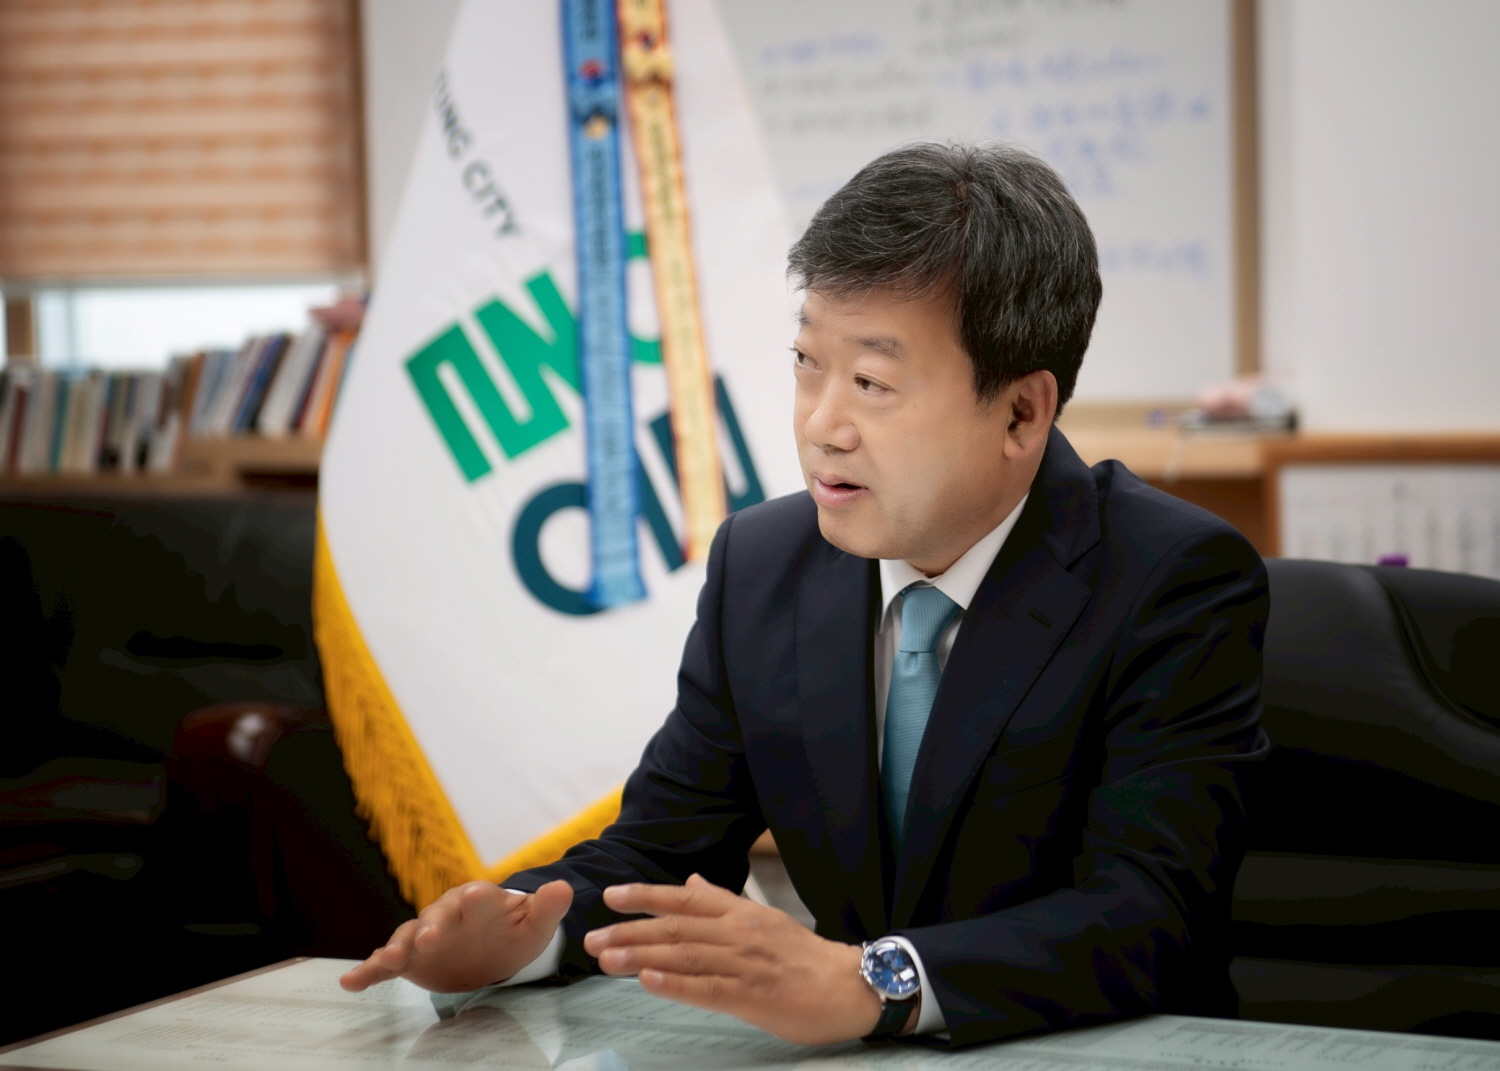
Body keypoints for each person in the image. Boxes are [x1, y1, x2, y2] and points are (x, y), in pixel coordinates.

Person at [341, 142, 1269, 1050]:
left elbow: (1148, 911)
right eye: (805, 362)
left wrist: (876, 981)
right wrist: (524, 934)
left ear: (1021, 412)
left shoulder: (1171, 579)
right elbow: (659, 850)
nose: (823, 423)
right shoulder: (763, 565)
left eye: (871, 382)